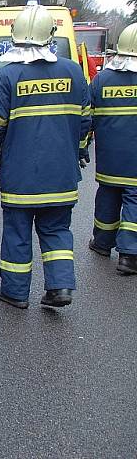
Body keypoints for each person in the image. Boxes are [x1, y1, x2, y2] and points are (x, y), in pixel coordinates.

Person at [0, 5, 91, 309]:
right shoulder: (73, 71)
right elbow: (85, 120)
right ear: (50, 37)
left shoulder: (7, 75)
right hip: (62, 176)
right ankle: (61, 287)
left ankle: (14, 292)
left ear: (14, 37)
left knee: (17, 233)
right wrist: (78, 150)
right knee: (56, 231)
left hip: (21, 178)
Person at [86, 22, 137, 275]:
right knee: (134, 200)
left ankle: (103, 243)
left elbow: (88, 117)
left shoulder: (102, 79)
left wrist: (82, 147)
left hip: (109, 159)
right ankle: (129, 254)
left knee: (107, 195)